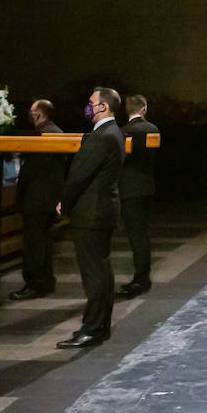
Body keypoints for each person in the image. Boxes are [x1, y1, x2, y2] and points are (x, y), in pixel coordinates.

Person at [57, 87, 124, 348]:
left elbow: (79, 174)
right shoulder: (114, 132)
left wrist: (65, 202)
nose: (87, 107)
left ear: (104, 107)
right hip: (103, 210)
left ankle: (93, 329)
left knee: (94, 273)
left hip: (92, 212)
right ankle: (99, 326)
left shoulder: (101, 136)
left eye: (91, 103)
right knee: (102, 270)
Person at [8, 99, 67, 301]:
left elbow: (33, 171)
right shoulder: (57, 132)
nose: (29, 115)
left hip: (37, 198)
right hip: (48, 198)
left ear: (40, 114)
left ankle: (34, 283)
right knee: (45, 242)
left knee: (34, 244)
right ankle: (46, 280)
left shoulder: (43, 136)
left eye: (32, 112)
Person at [118, 94, 159, 299]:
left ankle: (141, 279)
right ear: (144, 108)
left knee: (136, 236)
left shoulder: (123, 132)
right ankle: (143, 275)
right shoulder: (152, 129)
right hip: (146, 187)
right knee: (142, 234)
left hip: (129, 189)